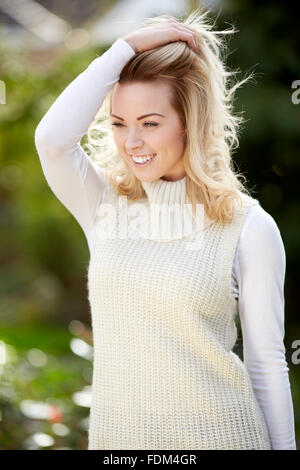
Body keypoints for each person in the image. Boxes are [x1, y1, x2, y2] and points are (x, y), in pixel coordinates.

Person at [34, 9, 296, 450]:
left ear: (190, 123)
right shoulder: (103, 206)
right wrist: (123, 49)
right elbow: (52, 139)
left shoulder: (248, 227)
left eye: (150, 123)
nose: (131, 142)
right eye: (119, 124)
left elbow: (267, 364)